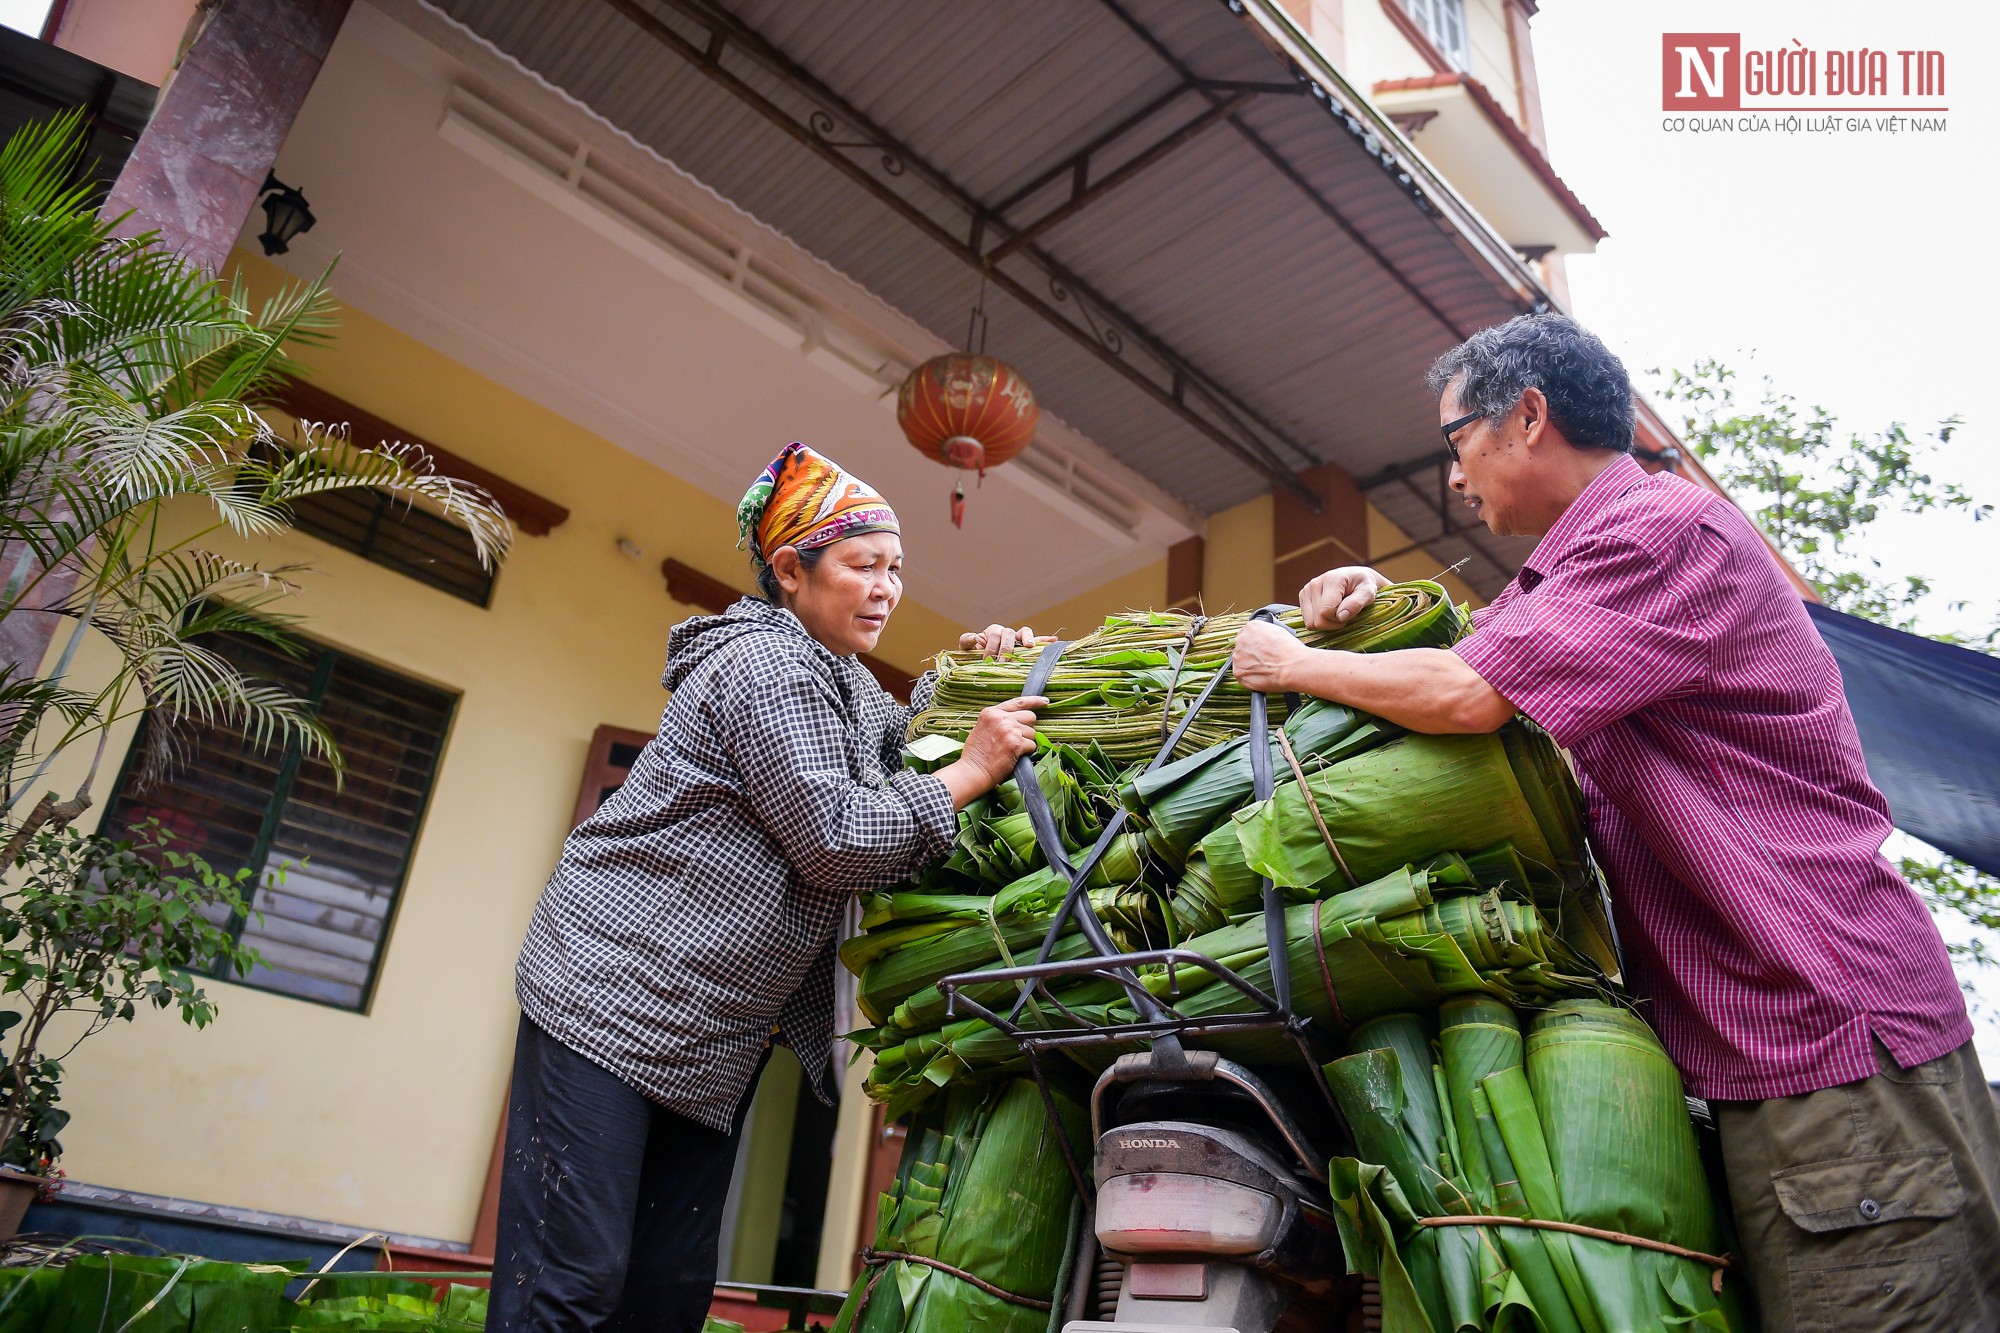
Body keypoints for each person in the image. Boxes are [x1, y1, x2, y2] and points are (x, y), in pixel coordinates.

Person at [1232, 313, 2000, 1331]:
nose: (1453, 479)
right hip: (1759, 1037)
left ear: (1527, 417)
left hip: (1825, 1033)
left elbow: (1467, 694)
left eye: (1453, 442)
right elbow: (1477, 658)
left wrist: (1290, 664)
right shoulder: (1586, 563)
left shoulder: (1659, 531)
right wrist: (1375, 601)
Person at [493, 442, 1043, 1330]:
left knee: (664, 1294)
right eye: (864, 565)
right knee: (573, 1281)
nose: (886, 588)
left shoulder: (848, 686)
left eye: (897, 570)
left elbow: (904, 743)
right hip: (607, 999)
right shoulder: (764, 666)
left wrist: (974, 672)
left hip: (708, 1040)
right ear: (791, 569)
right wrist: (974, 768)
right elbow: (838, 836)